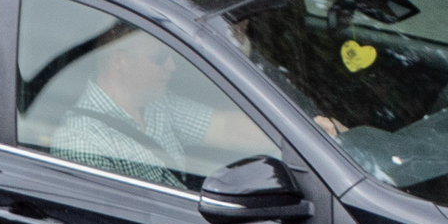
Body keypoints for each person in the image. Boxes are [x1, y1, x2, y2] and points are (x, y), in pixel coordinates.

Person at [50, 26, 285, 186]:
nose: (171, 66)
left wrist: (293, 134)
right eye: (160, 57)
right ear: (118, 61)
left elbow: (227, 129)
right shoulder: (81, 141)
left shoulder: (156, 103)